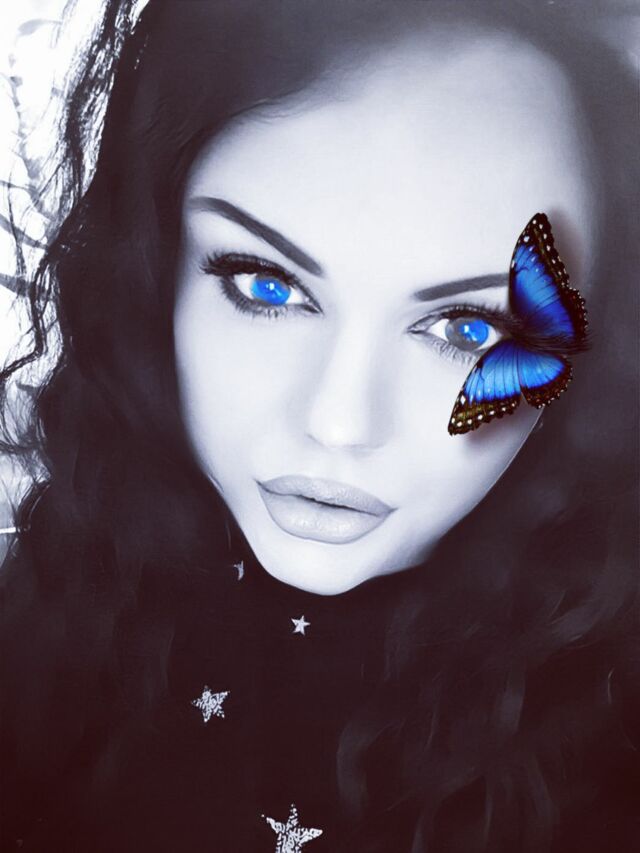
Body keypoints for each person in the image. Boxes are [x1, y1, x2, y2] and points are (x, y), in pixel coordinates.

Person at [0, 1, 638, 851]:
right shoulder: (65, 579)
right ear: (150, 272)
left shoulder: (611, 723)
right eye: (265, 285)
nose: (338, 424)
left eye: (468, 328)